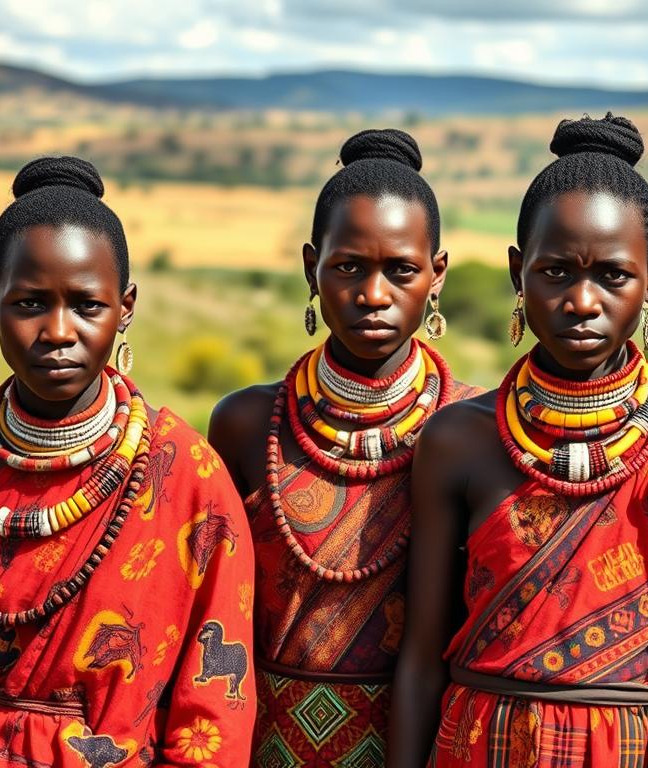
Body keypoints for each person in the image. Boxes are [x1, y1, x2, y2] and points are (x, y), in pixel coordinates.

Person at [389, 113, 648, 768]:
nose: (583, 301)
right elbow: (419, 660)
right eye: (556, 273)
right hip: (474, 747)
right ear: (517, 271)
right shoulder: (459, 438)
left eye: (613, 275)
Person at [0, 156, 255, 767]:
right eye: (28, 304)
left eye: (87, 305)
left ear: (125, 306)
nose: (57, 331)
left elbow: (212, 708)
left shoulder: (183, 471)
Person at [209, 128, 480, 767]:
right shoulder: (248, 425)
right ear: (312, 267)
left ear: (437, 275)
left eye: (401, 269)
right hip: (259, 746)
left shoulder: (470, 427)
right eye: (349, 266)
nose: (373, 294)